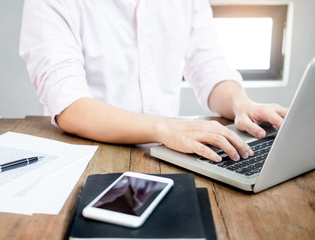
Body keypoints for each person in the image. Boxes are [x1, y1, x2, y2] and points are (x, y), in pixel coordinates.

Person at [19, 0, 287, 163]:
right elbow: (69, 106)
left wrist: (241, 104)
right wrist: (168, 128)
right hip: (87, 155)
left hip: (171, 153)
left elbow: (209, 67)